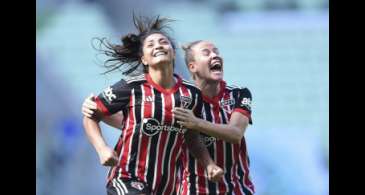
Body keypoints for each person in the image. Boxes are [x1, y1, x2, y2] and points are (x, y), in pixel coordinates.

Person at [83, 39, 255, 194]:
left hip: (238, 187)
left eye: (216, 52)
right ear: (192, 67)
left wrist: (196, 124)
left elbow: (235, 133)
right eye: (207, 53)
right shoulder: (176, 95)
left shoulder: (237, 94)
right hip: (192, 188)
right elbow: (145, 120)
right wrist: (94, 111)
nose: (215, 56)